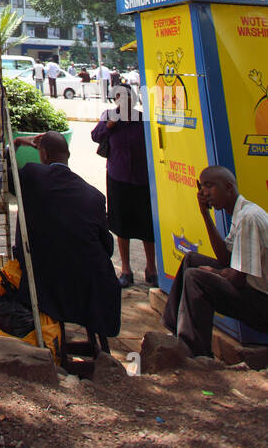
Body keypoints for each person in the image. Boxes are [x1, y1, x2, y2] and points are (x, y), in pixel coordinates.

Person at [12, 132, 121, 339]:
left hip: (45, 281)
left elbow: (1, 171)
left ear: (42, 154)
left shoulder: (32, 176)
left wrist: (17, 143)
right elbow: (106, 246)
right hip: (90, 286)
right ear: (68, 154)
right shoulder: (94, 196)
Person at [163, 167, 268, 358]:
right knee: (191, 260)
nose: (204, 193)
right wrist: (205, 215)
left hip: (262, 302)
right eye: (202, 187)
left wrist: (215, 272)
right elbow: (225, 259)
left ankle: (196, 355)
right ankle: (173, 330)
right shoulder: (240, 213)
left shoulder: (248, 217)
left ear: (228, 188)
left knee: (196, 278)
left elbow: (236, 278)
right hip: (252, 290)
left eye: (209, 186)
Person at [91, 85, 157, 287]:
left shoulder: (142, 119)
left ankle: (151, 269)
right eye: (120, 97)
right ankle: (126, 270)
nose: (124, 101)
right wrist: (108, 125)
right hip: (118, 177)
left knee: (148, 226)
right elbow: (95, 136)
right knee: (122, 225)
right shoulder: (110, 117)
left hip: (142, 179)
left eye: (128, 96)